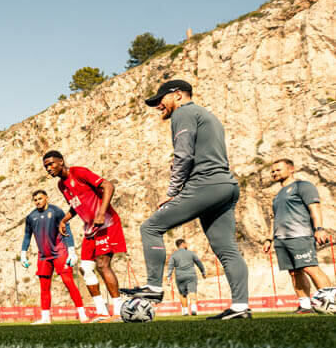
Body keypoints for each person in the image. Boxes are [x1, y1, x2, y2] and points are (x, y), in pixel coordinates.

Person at [125, 80, 251, 320]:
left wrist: (173, 191)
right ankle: (240, 307)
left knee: (150, 227)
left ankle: (153, 287)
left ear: (178, 95)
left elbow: (183, 155)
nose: (158, 106)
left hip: (205, 185)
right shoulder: (208, 116)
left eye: (161, 100)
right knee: (227, 250)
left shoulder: (183, 113)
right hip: (226, 185)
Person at [42, 151, 126, 322]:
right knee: (85, 268)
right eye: (46, 166)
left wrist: (101, 213)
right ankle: (102, 312)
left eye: (51, 164)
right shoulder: (61, 185)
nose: (49, 168)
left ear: (61, 161)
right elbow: (76, 205)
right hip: (90, 229)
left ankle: (118, 311)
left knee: (102, 264)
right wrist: (64, 220)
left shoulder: (79, 172)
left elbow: (108, 186)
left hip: (106, 224)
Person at [263, 159, 332, 314]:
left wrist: (319, 228)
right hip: (281, 239)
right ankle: (305, 306)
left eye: (278, 170)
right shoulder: (277, 195)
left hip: (300, 235)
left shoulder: (303, 186)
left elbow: (315, 208)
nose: (274, 173)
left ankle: (332, 302)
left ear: (291, 169)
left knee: (310, 267)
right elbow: (275, 218)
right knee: (294, 273)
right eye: (273, 171)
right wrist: (269, 239)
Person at [20, 190, 88, 323]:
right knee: (44, 287)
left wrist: (72, 251)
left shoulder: (56, 211)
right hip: (43, 256)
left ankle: (82, 314)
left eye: (40, 198)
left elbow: (67, 230)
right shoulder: (30, 217)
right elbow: (27, 236)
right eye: (35, 200)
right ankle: (45, 318)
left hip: (59, 252)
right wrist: (23, 254)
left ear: (46, 198)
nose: (38, 202)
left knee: (68, 282)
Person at [166, 239, 206, 316]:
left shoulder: (174, 255)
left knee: (182, 294)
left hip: (180, 276)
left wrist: (168, 278)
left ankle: (185, 311)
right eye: (186, 243)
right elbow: (199, 262)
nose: (186, 245)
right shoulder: (191, 253)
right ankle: (193, 309)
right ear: (183, 244)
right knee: (192, 291)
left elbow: (170, 267)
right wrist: (203, 272)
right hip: (191, 275)